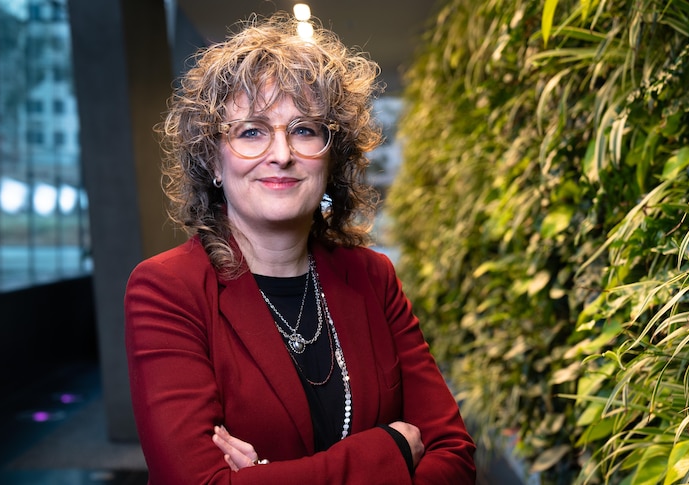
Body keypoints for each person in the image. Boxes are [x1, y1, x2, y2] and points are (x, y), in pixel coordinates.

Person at [124, 12, 477, 484]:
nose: (283, 153)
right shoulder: (168, 290)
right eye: (251, 131)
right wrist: (389, 450)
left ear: (331, 157)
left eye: (305, 129)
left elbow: (454, 457)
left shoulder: (372, 277)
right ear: (212, 159)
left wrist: (268, 477)